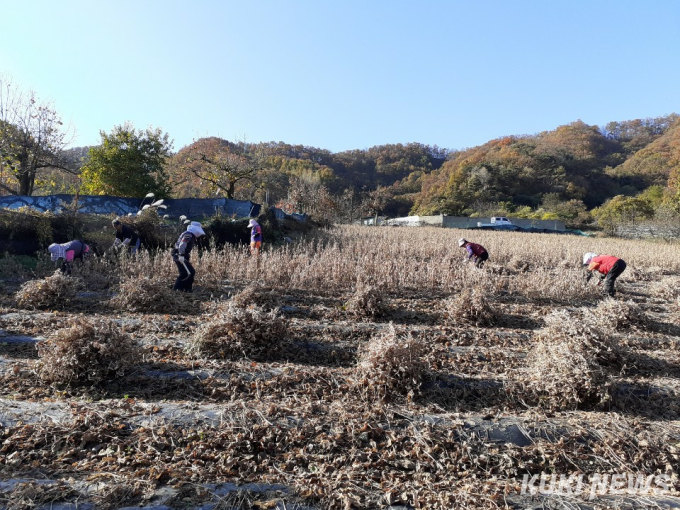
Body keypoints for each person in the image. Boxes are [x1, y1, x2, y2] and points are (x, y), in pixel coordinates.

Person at [171, 221, 205, 292]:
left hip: (181, 256)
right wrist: (181, 255)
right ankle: (177, 289)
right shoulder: (188, 235)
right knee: (187, 273)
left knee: (189, 272)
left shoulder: (189, 234)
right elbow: (182, 245)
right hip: (179, 256)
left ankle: (186, 289)